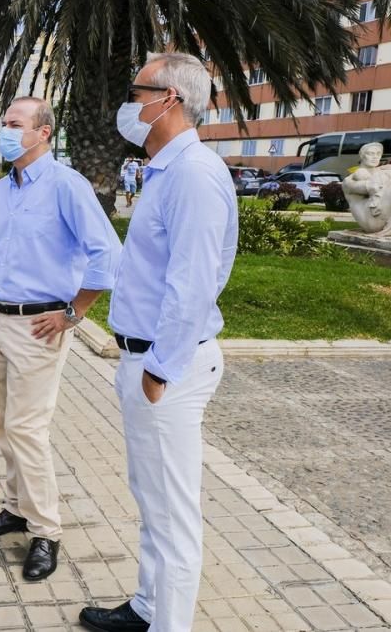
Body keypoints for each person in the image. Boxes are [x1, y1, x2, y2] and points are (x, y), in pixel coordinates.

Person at [79, 52, 237, 632]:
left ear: (168, 98)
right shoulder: (169, 170)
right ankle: (148, 607)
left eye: (136, 91)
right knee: (151, 499)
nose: (129, 103)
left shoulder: (193, 174)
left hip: (165, 366)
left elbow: (193, 285)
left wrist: (159, 370)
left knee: (173, 515)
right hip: (145, 358)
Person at [0, 96, 121, 581]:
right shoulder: (0, 190)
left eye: (14, 124)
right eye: (4, 124)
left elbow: (106, 255)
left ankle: (46, 531)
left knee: (29, 430)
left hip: (40, 326)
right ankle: (15, 508)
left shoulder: (66, 187)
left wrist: (74, 313)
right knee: (5, 424)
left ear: (43, 132)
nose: (4, 131)